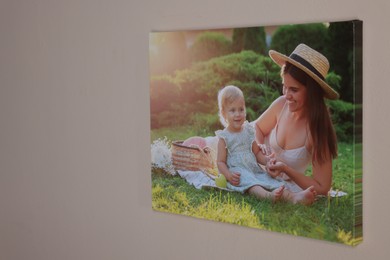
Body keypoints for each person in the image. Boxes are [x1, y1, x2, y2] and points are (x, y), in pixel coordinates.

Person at [255, 43, 339, 195]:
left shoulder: (317, 132)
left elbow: (322, 187)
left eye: (294, 90)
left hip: (277, 183)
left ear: (312, 92)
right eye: (284, 87)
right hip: (253, 163)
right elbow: (257, 128)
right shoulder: (281, 105)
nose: (286, 95)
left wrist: (286, 169)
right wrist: (262, 154)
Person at [216, 85, 316, 204]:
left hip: (253, 169)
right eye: (232, 110)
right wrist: (228, 175)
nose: (238, 114)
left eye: (241, 109)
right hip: (238, 172)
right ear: (223, 113)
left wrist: (266, 160)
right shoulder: (224, 137)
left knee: (271, 180)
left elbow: (256, 152)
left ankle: (294, 197)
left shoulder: (248, 131)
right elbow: (220, 162)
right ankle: (268, 196)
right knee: (253, 185)